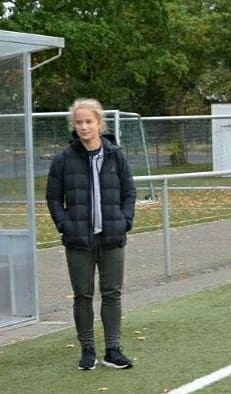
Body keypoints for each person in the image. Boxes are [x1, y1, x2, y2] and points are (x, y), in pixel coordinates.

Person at [46, 98, 137, 370]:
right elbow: (53, 198)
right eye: (79, 122)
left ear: (99, 123)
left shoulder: (115, 155)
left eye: (88, 121)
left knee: (112, 294)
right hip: (78, 241)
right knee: (82, 295)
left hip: (112, 238)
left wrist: (124, 221)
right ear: (74, 126)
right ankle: (87, 349)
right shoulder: (64, 159)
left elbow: (129, 192)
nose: (84, 127)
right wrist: (66, 224)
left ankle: (113, 349)